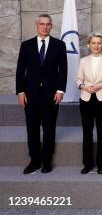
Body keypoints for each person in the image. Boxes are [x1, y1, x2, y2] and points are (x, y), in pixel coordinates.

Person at [16, 14, 67, 174]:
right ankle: (34, 160)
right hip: (30, 94)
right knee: (32, 128)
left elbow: (63, 70)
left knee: (49, 128)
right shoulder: (26, 45)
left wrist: (60, 90)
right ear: (37, 25)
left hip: (51, 94)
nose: (45, 27)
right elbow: (20, 71)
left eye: (48, 24)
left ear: (51, 26)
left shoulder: (59, 45)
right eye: (42, 24)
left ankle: (46, 160)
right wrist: (20, 91)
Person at [76, 32, 102, 174]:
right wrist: (83, 87)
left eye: (99, 43)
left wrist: (101, 85)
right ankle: (87, 164)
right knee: (87, 132)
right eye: (93, 43)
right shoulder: (83, 61)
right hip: (86, 99)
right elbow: (78, 79)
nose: (96, 45)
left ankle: (101, 164)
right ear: (89, 45)